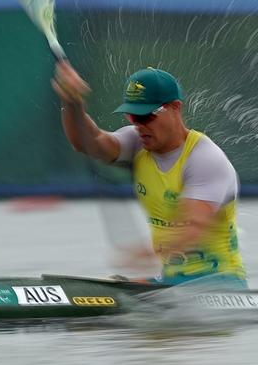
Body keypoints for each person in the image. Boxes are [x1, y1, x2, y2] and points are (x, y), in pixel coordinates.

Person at [52, 61, 247, 289]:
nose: (139, 126)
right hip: (169, 284)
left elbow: (193, 227)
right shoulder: (136, 144)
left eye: (146, 116)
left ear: (175, 107)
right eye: (133, 117)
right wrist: (73, 101)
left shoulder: (205, 159)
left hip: (221, 284)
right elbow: (88, 142)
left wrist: (143, 253)